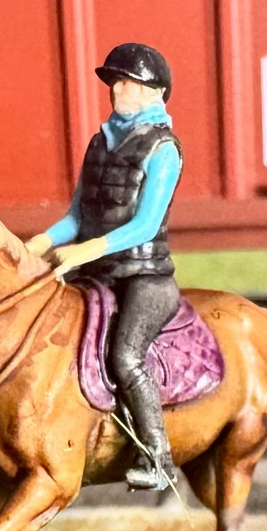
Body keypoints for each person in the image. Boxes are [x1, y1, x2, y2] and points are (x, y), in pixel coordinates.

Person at [28, 42, 183, 490]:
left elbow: (144, 225)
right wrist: (41, 241)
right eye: (114, 82)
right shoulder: (101, 142)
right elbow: (78, 215)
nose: (116, 90)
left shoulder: (163, 150)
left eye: (127, 83)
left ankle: (158, 458)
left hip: (144, 276)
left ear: (154, 91)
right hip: (98, 271)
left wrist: (83, 251)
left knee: (126, 356)